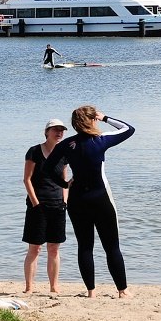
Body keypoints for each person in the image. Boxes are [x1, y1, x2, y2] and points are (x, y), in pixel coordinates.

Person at [43, 105, 135, 299]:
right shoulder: (100, 141)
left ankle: (91, 292)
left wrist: (65, 184)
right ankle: (122, 291)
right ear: (92, 120)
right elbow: (128, 129)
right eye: (95, 118)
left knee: (85, 246)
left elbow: (48, 169)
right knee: (112, 247)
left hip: (77, 200)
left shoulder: (66, 145)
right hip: (101, 199)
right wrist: (106, 117)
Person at [22, 119, 69, 294]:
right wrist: (35, 203)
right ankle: (29, 287)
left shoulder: (63, 154)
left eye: (62, 130)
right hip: (37, 206)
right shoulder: (34, 151)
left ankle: (54, 286)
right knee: (35, 247)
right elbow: (27, 179)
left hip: (58, 205)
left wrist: (65, 200)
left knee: (54, 248)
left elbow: (65, 181)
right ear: (47, 132)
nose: (59, 133)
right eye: (56, 130)